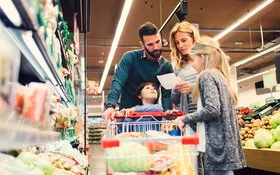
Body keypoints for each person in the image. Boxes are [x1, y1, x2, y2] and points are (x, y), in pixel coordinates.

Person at [175, 36, 246, 175]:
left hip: (216, 146)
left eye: (194, 60)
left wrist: (185, 118)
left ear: (202, 57)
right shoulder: (219, 75)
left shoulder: (206, 75)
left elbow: (212, 109)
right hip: (225, 144)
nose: (193, 65)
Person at [103, 22, 173, 120]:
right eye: (150, 44)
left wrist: (169, 113)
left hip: (152, 120)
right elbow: (118, 82)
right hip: (127, 119)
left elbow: (166, 96)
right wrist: (110, 106)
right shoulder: (130, 58)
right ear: (142, 45)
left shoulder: (166, 67)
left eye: (158, 42)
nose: (156, 47)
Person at [169, 21, 200, 115]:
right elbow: (175, 100)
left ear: (193, 38)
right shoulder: (178, 68)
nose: (180, 46)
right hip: (188, 119)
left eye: (184, 40)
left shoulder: (206, 61)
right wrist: (176, 87)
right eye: (177, 43)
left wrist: (191, 87)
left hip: (206, 116)